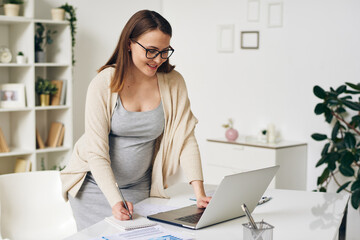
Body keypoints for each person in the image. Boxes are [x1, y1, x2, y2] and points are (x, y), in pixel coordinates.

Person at [60, 9, 211, 231]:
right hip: (95, 188)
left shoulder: (173, 82)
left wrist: (199, 193)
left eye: (164, 51)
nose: (158, 59)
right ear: (130, 44)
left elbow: (186, 137)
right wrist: (114, 200)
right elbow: (96, 152)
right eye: (151, 51)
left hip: (140, 187)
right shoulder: (103, 84)